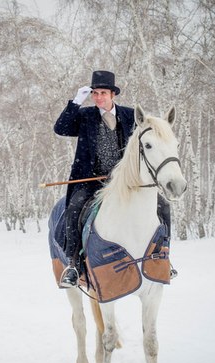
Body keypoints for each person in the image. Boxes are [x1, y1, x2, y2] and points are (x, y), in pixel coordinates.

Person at [54, 70, 174, 288]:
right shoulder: (85, 116)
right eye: (95, 93)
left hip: (125, 184)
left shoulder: (130, 116)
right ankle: (73, 264)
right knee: (74, 208)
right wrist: (75, 102)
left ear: (113, 94)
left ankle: (163, 256)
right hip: (91, 184)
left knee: (163, 206)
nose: (98, 98)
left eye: (103, 93)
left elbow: (153, 135)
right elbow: (60, 128)